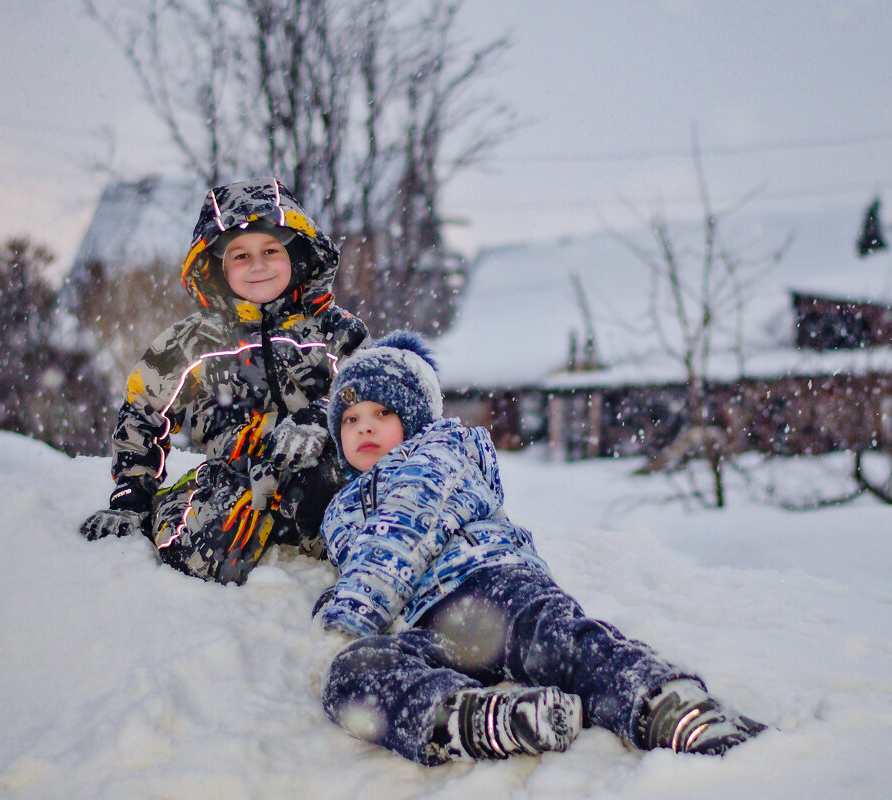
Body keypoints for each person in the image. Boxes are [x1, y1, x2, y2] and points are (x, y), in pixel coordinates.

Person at [311, 331, 767, 765]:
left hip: (489, 585)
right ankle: (485, 720)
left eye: (382, 415)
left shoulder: (433, 455)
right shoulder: (341, 509)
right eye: (350, 420)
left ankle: (667, 706)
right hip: (434, 624)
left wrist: (351, 611)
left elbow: (402, 531)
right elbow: (361, 561)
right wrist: (338, 603)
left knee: (563, 643)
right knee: (352, 675)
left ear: (414, 421)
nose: (364, 428)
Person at [80, 178, 367, 585]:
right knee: (192, 557)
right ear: (216, 265)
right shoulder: (192, 342)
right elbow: (143, 414)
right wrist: (131, 497)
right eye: (240, 256)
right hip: (234, 482)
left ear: (298, 253)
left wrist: (322, 420)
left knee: (367, 527)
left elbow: (375, 397)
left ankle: (357, 571)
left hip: (322, 474)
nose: (258, 265)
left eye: (271, 250)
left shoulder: (336, 333)